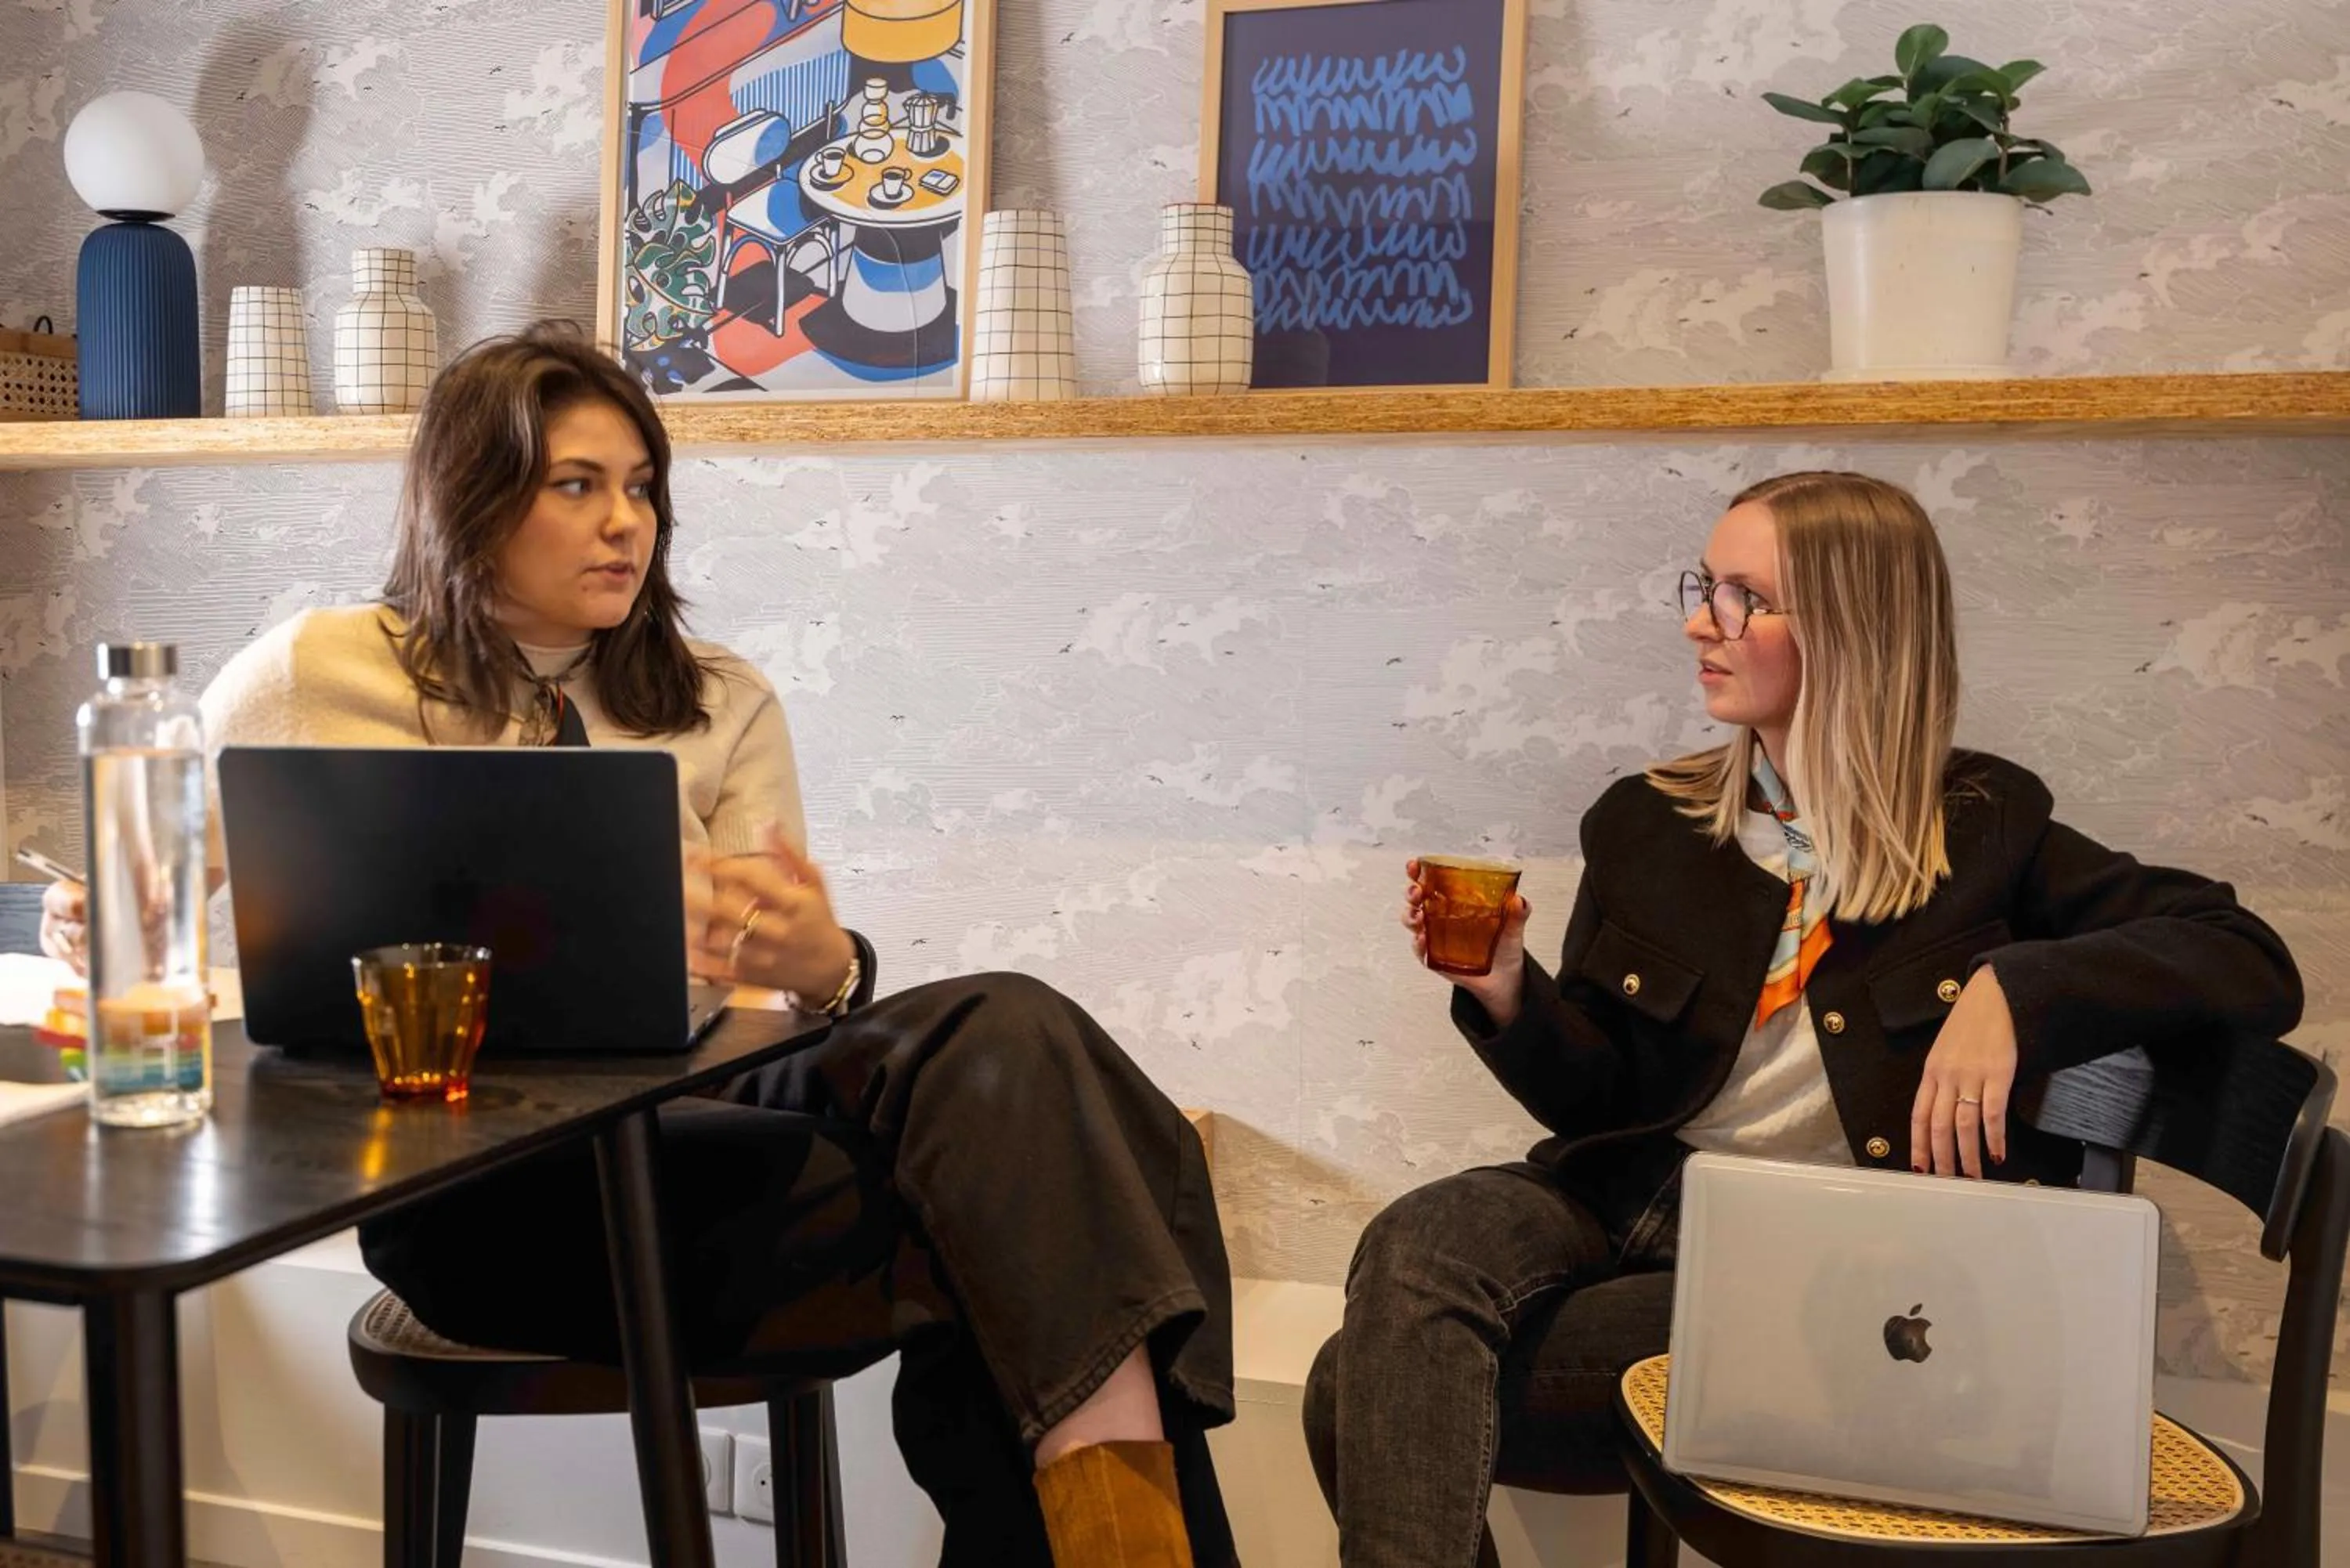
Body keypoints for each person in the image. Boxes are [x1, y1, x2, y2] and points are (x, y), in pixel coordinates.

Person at [42, 321, 1235, 1568]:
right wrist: (101, 912)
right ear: (474, 496)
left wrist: (824, 962)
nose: (627, 522)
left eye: (642, 488)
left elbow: (791, 1015)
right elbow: (147, 885)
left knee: (1010, 1028)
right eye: (579, 485)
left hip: (702, 1152)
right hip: (475, 1196)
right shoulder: (316, 669)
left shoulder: (719, 697)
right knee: (1059, 1195)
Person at [1300, 469, 2303, 1567]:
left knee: (1354, 1385)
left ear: (1853, 626)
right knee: (1419, 1240)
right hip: (1631, 1201)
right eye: (1704, 585)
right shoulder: (1645, 824)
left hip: (1842, 1276)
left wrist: (2021, 988)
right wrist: (1504, 986)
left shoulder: (1986, 827)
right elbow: (1597, 1096)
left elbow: (2246, 959)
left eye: (1742, 596)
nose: (1700, 620)